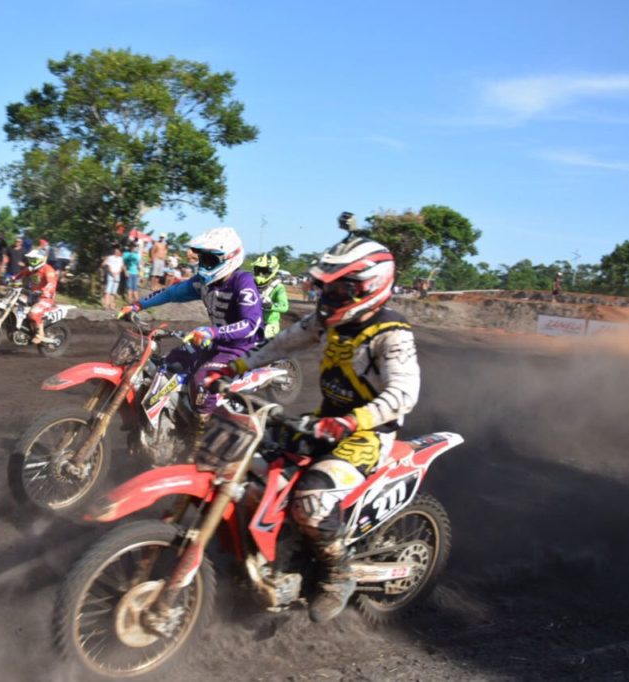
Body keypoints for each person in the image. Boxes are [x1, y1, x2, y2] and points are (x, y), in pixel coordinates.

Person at [221, 215, 420, 624]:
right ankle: (269, 551)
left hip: (367, 434)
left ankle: (336, 574)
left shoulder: (392, 334)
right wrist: (234, 368)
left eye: (340, 287)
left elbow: (404, 394)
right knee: (253, 469)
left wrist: (351, 422)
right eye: (327, 286)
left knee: (312, 499)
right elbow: (281, 344)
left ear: (368, 286)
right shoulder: (327, 320)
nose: (329, 294)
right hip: (324, 420)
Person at [119, 227, 262, 433]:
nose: (204, 265)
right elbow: (171, 293)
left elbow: (250, 324)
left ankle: (198, 437)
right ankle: (173, 418)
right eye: (202, 259)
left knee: (202, 381)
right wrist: (137, 305)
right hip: (215, 341)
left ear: (229, 258)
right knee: (169, 363)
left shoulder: (243, 282)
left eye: (210, 260)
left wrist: (213, 332)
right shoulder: (203, 282)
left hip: (240, 348)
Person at [9, 249, 57, 344]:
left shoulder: (48, 269)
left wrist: (45, 290)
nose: (32, 261)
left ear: (42, 259)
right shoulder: (31, 269)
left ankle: (40, 334)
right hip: (33, 295)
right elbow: (19, 275)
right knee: (15, 302)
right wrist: (12, 279)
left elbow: (52, 283)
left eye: (34, 259)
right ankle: (22, 327)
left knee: (33, 313)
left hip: (46, 297)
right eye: (30, 259)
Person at [252, 253, 290, 339]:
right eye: (258, 270)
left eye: (264, 271)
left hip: (269, 325)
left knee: (263, 341)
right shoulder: (250, 283)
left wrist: (270, 306)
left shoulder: (278, 287)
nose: (260, 274)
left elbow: (284, 306)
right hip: (251, 321)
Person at [101, 245, 125, 311]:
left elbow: (121, 267)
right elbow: (106, 265)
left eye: (119, 251)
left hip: (117, 276)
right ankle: (106, 305)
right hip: (110, 275)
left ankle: (112, 306)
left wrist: (118, 272)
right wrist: (112, 273)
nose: (117, 252)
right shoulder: (110, 257)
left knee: (113, 292)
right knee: (108, 291)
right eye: (116, 251)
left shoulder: (120, 259)